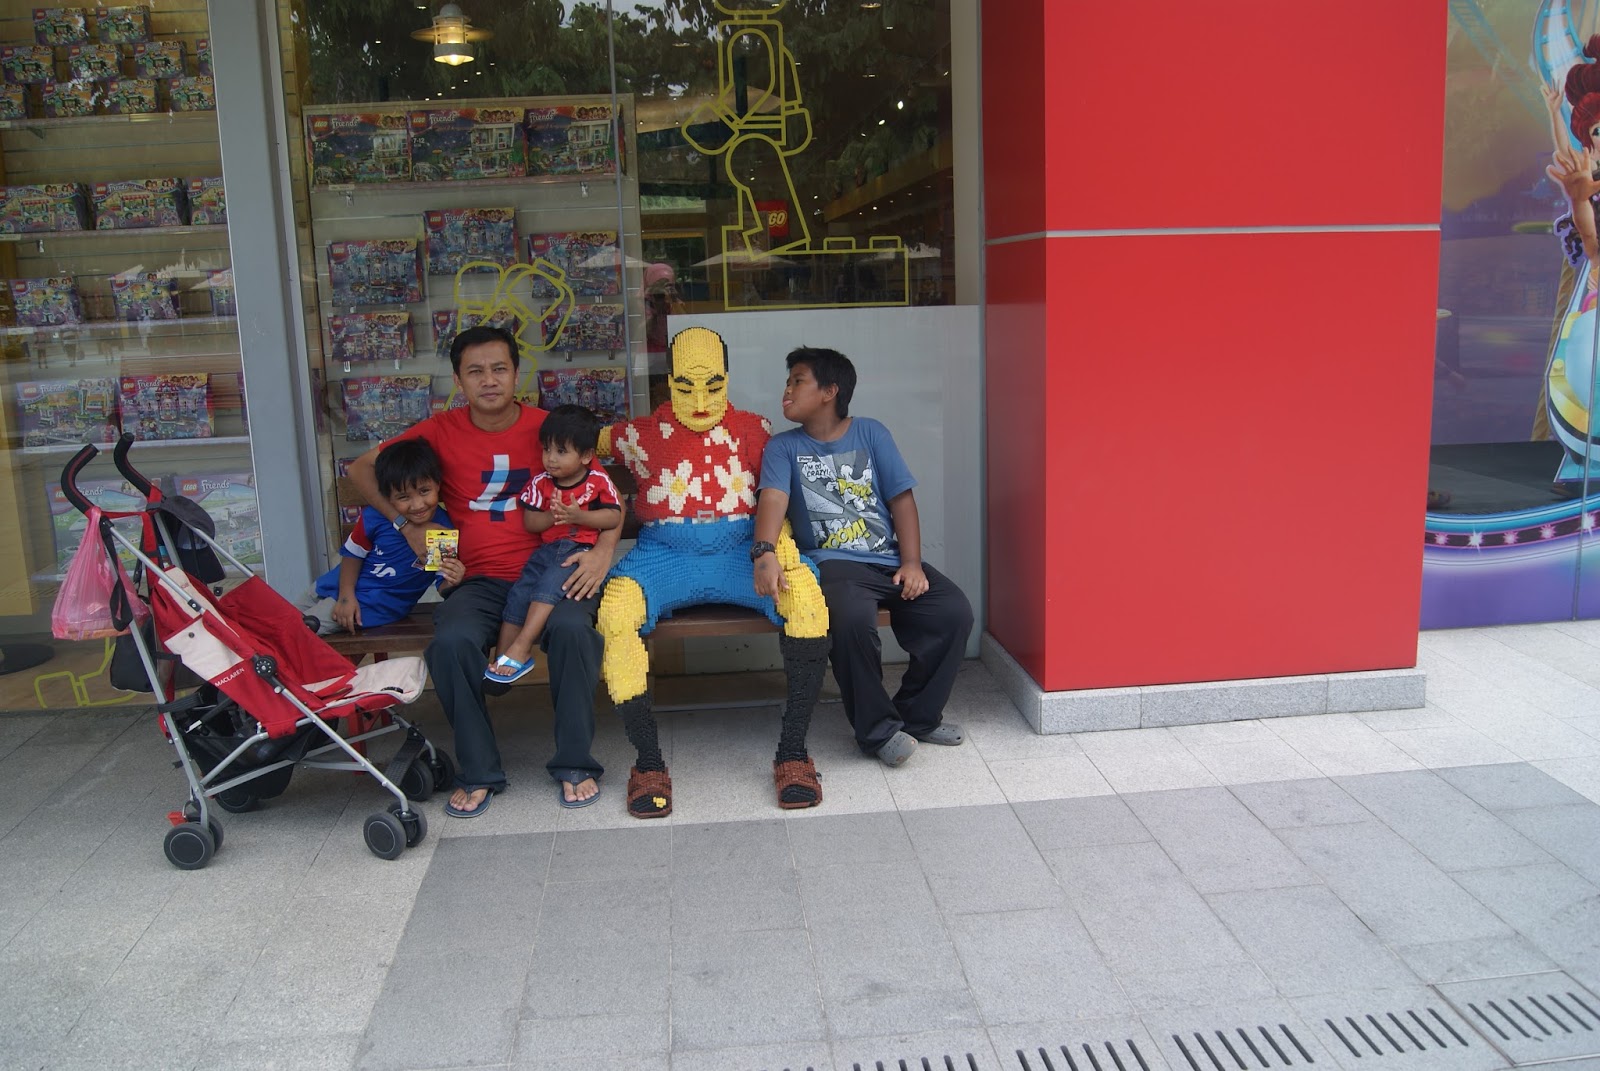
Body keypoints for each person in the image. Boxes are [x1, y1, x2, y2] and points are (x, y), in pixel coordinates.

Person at [347, 325, 617, 814]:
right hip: (477, 579)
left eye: (499, 369)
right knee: (450, 643)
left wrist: (603, 552)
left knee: (575, 632)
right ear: (458, 379)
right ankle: (479, 770)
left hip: (556, 570)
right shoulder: (439, 430)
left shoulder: (551, 429)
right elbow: (360, 469)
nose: (488, 380)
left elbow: (608, 497)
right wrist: (406, 525)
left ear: (517, 373)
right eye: (475, 371)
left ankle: (575, 763)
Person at [596, 325, 831, 818]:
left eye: (713, 385)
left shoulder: (754, 430)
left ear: (727, 377)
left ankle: (793, 752)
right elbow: (577, 441)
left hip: (740, 553)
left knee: (807, 601)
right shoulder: (637, 435)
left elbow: (774, 498)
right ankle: (648, 762)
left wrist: (778, 551)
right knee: (615, 614)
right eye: (686, 387)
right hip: (663, 556)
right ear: (668, 381)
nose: (701, 402)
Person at [754, 346, 974, 766]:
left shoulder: (871, 433)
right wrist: (764, 552)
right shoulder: (783, 448)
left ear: (829, 391)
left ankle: (918, 717)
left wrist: (912, 562)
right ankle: (877, 732)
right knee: (852, 620)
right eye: (788, 381)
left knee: (953, 612)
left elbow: (901, 500)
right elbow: (773, 500)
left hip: (888, 561)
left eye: (798, 381)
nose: (787, 390)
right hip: (834, 564)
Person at [486, 405, 621, 692]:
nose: (551, 458)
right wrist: (552, 516)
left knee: (547, 588)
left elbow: (613, 516)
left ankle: (522, 649)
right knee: (519, 594)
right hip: (546, 551)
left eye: (561, 451)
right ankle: (502, 659)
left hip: (577, 551)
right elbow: (531, 522)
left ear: (586, 455)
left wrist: (579, 517)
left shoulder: (596, 482)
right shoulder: (541, 483)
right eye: (546, 449)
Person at [297, 439, 464, 635]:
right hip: (334, 587)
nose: (417, 505)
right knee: (276, 623)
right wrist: (345, 596)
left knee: (295, 632)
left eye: (424, 491)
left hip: (372, 606)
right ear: (387, 496)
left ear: (438, 485)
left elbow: (442, 586)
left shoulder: (441, 532)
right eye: (403, 497)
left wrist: (453, 580)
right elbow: (353, 554)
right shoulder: (377, 515)